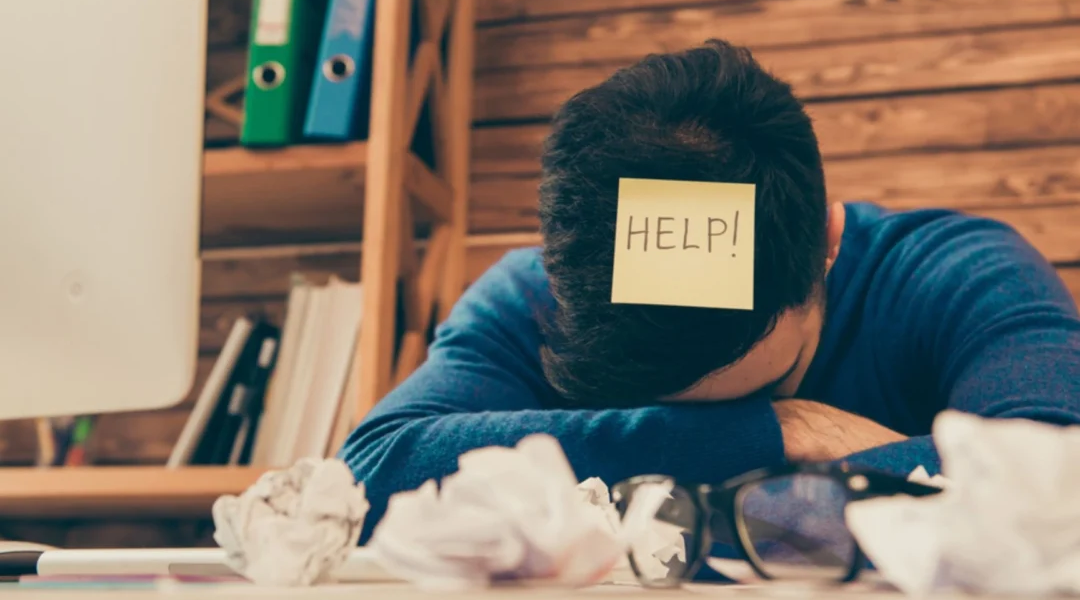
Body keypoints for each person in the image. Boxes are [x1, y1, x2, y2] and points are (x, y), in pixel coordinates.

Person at [339, 39, 1080, 543]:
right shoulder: (533, 294)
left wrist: (635, 466)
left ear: (825, 245)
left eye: (755, 387)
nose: (711, 419)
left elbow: (1056, 491)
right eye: (657, 406)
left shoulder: (960, 273)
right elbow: (368, 476)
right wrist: (775, 432)